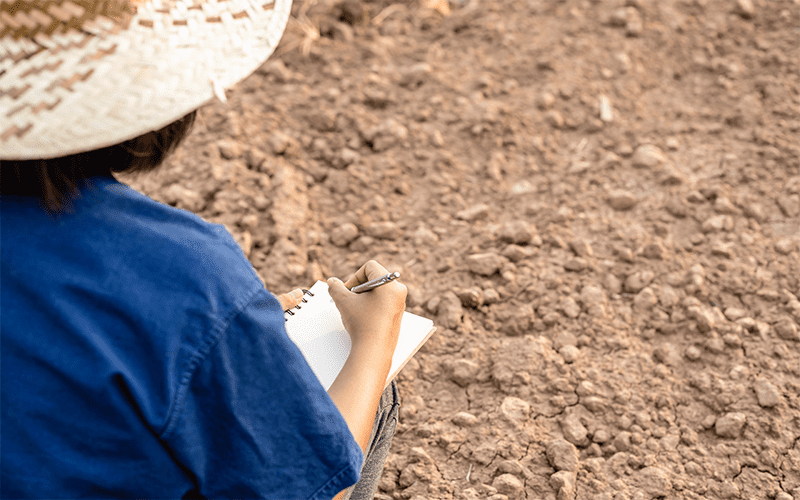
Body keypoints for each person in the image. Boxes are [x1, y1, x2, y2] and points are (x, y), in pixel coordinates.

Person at [0, 0, 406, 498]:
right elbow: (316, 490)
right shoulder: (183, 273)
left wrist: (230, 334)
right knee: (367, 387)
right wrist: (376, 340)